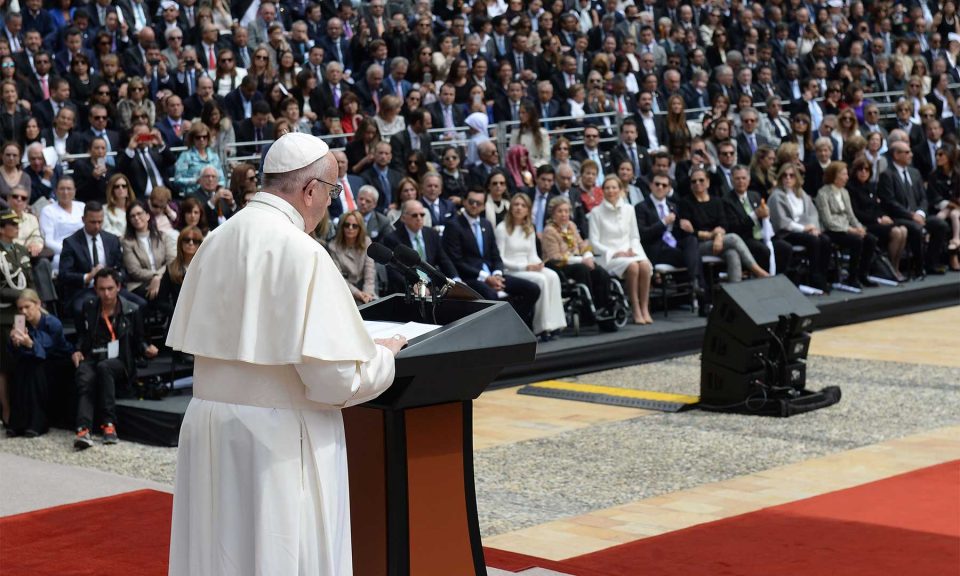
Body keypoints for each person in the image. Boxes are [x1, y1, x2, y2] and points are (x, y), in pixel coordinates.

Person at [167, 132, 405, 574]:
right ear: (310, 189)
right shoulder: (303, 253)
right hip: (275, 440)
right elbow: (333, 381)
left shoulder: (217, 238)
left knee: (217, 554)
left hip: (210, 425)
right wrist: (385, 357)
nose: (332, 205)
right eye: (332, 193)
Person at [72, 268, 158, 449]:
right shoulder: (89, 307)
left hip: (120, 360)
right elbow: (82, 336)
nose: (106, 293)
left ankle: (109, 425)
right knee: (85, 374)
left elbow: (139, 340)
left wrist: (147, 349)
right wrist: (78, 350)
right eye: (102, 289)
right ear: (95, 289)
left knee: (105, 367)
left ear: (118, 287)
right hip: (94, 355)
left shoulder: (131, 310)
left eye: (110, 288)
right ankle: (83, 429)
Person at [443, 188, 541, 328]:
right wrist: (485, 277)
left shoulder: (486, 224)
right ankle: (505, 330)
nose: (475, 205)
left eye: (479, 203)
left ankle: (515, 325)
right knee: (492, 296)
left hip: (492, 275)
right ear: (464, 202)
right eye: (471, 202)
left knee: (532, 289)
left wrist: (497, 274)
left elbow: (495, 254)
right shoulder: (454, 225)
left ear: (483, 206)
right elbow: (457, 261)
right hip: (471, 277)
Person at [495, 193, 567, 340]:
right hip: (511, 271)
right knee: (541, 280)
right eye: (516, 205)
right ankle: (541, 327)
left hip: (528, 267)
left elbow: (532, 254)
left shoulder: (529, 228)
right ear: (511, 207)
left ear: (528, 210)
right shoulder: (502, 228)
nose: (519, 208)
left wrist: (538, 264)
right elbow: (500, 258)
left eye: (523, 205)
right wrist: (525, 267)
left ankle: (555, 324)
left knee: (553, 276)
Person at [682, 168, 770, 284]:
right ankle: (758, 271)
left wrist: (718, 236)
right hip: (699, 245)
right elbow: (687, 231)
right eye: (694, 181)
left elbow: (724, 224)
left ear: (708, 182)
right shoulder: (686, 203)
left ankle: (736, 292)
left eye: (701, 180)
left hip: (719, 242)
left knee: (732, 253)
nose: (698, 184)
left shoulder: (717, 201)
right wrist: (710, 235)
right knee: (733, 238)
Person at [6, 288, 73, 438]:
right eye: (20, 308)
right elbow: (18, 354)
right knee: (23, 366)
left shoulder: (52, 323)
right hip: (35, 358)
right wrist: (15, 343)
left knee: (35, 367)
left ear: (38, 304)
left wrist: (29, 344)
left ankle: (38, 423)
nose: (23, 311)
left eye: (27, 307)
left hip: (56, 361)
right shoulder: (23, 324)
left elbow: (46, 348)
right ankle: (18, 423)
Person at [588, 175, 654, 325]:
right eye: (607, 188)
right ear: (602, 190)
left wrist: (632, 250)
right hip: (609, 257)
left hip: (629, 253)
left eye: (614, 187)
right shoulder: (596, 213)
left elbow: (634, 236)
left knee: (643, 265)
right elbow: (594, 242)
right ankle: (635, 308)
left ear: (620, 190)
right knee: (633, 266)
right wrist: (615, 253)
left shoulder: (629, 209)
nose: (611, 191)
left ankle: (645, 308)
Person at [768, 163, 832, 291]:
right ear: (780, 178)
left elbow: (812, 213)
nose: (788, 178)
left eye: (792, 176)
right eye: (785, 176)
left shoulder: (801, 193)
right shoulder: (777, 196)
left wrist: (814, 227)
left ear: (796, 178)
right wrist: (804, 229)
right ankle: (813, 276)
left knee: (825, 239)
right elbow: (782, 221)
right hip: (786, 233)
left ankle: (822, 275)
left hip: (806, 230)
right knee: (813, 241)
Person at [541, 195, 612, 309]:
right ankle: (588, 307)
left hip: (579, 262)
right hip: (560, 266)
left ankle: (604, 306)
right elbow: (554, 257)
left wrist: (588, 256)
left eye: (566, 211)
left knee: (599, 271)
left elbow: (581, 244)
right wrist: (582, 260)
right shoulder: (549, 230)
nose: (564, 214)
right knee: (582, 269)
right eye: (560, 211)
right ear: (553, 214)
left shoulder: (571, 226)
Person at [815, 162, 879, 288]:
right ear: (834, 176)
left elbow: (851, 215)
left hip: (848, 228)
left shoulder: (844, 192)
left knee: (870, 239)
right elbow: (827, 221)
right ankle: (852, 277)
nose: (847, 177)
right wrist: (850, 230)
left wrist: (859, 227)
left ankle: (863, 274)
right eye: (844, 174)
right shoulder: (823, 193)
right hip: (833, 230)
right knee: (856, 241)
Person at [847, 156, 909, 282]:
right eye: (861, 169)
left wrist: (883, 216)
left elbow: (877, 206)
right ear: (855, 171)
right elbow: (856, 212)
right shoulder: (851, 188)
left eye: (867, 170)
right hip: (864, 223)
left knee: (903, 229)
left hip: (877, 220)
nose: (864, 172)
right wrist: (877, 220)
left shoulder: (871, 186)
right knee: (896, 232)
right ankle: (891, 268)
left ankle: (896, 267)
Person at [382, 199, 458, 294]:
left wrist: (456, 279)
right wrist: (414, 285)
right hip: (408, 288)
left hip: (432, 285)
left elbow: (444, 260)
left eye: (422, 215)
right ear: (403, 218)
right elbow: (394, 269)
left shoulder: (432, 234)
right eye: (414, 215)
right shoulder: (392, 238)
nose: (419, 218)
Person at [122, 200, 176, 302]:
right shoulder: (127, 242)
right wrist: (155, 276)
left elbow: (172, 261)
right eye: (132, 216)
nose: (136, 218)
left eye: (139, 214)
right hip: (139, 283)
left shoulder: (163, 237)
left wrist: (159, 277)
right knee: (163, 293)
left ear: (147, 215)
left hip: (163, 279)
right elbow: (135, 271)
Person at [327, 210, 377, 304]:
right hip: (345, 290)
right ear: (342, 227)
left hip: (365, 287)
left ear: (360, 228)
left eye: (355, 226)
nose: (350, 228)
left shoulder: (366, 242)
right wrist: (357, 293)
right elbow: (339, 278)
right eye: (347, 225)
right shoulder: (333, 247)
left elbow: (369, 271)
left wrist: (367, 293)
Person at [158, 226, 202, 316]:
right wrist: (177, 313)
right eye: (187, 240)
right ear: (180, 243)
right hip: (178, 318)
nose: (191, 243)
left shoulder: (205, 267)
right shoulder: (171, 269)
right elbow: (161, 301)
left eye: (195, 241)